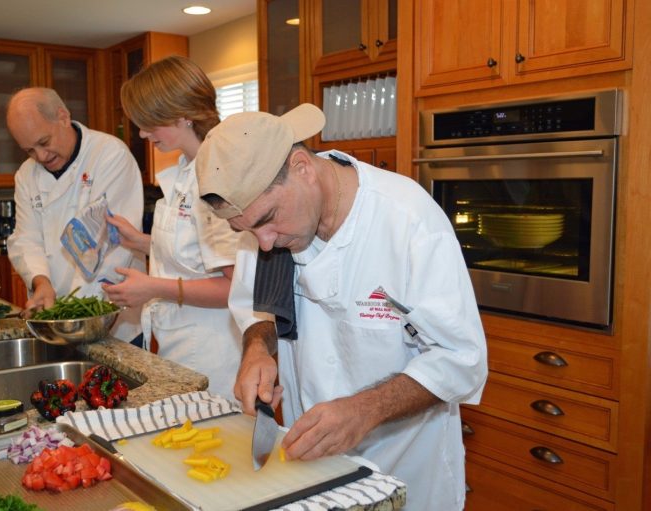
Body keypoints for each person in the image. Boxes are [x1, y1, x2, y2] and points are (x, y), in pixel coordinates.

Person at [196, 103, 488, 511]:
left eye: (269, 219)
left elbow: (462, 359)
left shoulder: (407, 221)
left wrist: (364, 409)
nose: (263, 243)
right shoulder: (263, 225)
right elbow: (255, 310)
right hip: (312, 470)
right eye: (247, 230)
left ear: (302, 167)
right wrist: (257, 350)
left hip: (404, 470)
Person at [100, 56, 243, 400]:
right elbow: (194, 253)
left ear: (183, 115)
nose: (143, 133)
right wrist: (143, 242)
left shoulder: (216, 175)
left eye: (150, 122)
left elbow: (233, 287)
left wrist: (152, 288)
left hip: (211, 353)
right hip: (177, 343)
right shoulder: (185, 169)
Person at [6, 87, 145, 342]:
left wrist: (77, 316)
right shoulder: (26, 175)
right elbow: (27, 239)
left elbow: (115, 246)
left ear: (63, 117)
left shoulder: (109, 155)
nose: (41, 156)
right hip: (58, 320)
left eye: (44, 143)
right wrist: (41, 283)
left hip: (111, 319)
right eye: (29, 151)